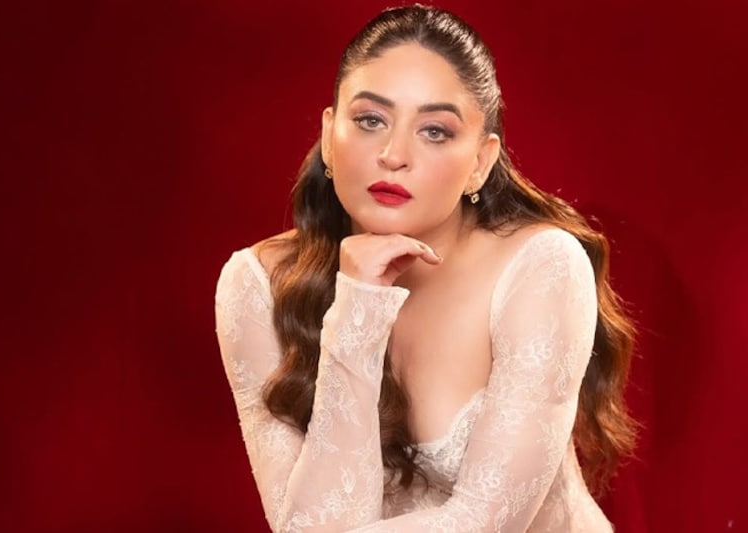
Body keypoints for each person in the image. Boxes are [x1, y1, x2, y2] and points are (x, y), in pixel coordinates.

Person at [214, 4, 637, 531]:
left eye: (434, 131)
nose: (394, 154)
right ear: (328, 136)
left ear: (480, 162)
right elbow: (312, 525)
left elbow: (484, 523)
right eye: (370, 120)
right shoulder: (257, 285)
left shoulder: (541, 267)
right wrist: (358, 308)